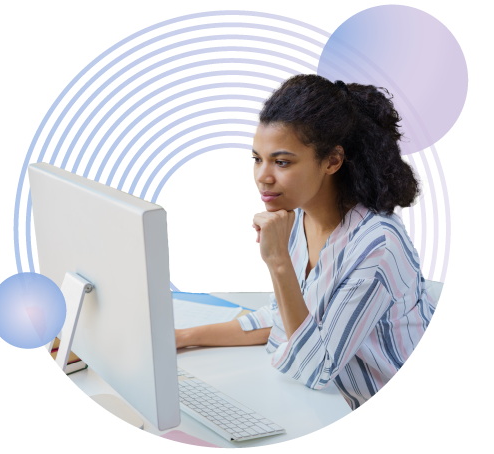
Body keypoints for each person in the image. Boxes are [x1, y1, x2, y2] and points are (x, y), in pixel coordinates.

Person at [174, 73, 436, 410]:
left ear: (332, 161)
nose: (262, 176)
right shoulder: (297, 214)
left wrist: (278, 262)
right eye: (257, 159)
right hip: (324, 403)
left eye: (282, 162)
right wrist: (182, 338)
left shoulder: (377, 245)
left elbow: (315, 368)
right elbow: (282, 319)